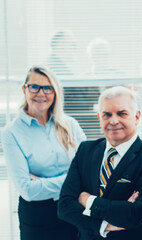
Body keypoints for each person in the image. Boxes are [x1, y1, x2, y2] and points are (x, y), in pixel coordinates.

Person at [58, 86, 142, 239]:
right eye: (107, 115)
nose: (113, 121)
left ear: (137, 117)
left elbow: (135, 214)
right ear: (100, 118)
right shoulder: (85, 151)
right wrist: (103, 225)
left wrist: (88, 201)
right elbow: (65, 207)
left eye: (121, 113)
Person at [1, 65, 86, 240]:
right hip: (38, 217)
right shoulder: (11, 132)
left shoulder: (71, 125)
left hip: (75, 211)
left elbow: (88, 171)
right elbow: (27, 190)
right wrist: (72, 181)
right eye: (34, 87)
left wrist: (44, 182)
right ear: (24, 89)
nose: (41, 93)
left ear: (55, 92)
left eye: (48, 88)